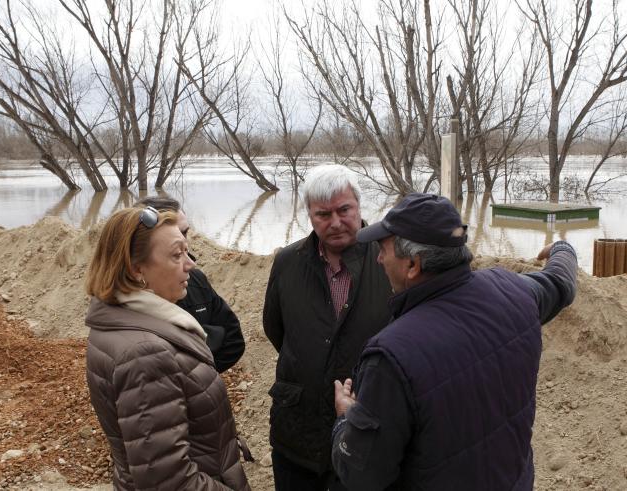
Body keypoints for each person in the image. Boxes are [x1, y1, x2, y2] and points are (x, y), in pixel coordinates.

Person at [330, 193, 578, 490]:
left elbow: (362, 475)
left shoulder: (391, 357)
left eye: (383, 249)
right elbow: (560, 283)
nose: (379, 258)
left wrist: (347, 418)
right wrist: (564, 248)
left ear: (413, 265)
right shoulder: (514, 291)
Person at [84, 205, 250, 490]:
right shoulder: (144, 353)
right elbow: (168, 481)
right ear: (137, 270)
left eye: (187, 251)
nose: (190, 264)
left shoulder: (129, 321)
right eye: (176, 255)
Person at [262, 165, 392, 490]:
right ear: (308, 214)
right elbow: (276, 329)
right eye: (323, 214)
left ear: (360, 207)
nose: (335, 222)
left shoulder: (389, 260)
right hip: (297, 434)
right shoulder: (288, 263)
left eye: (344, 210)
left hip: (366, 432)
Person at [136, 196, 245, 373]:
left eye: (185, 232)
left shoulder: (196, 280)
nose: (183, 242)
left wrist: (201, 377)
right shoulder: (123, 306)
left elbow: (233, 340)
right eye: (174, 236)